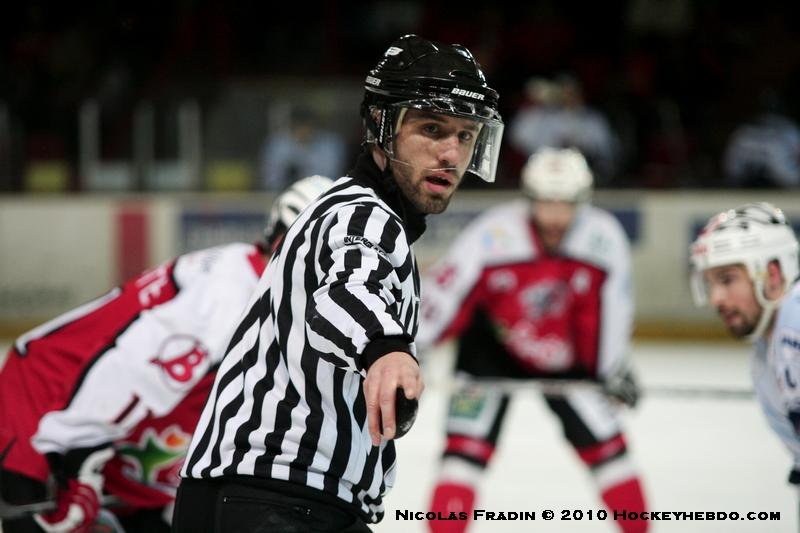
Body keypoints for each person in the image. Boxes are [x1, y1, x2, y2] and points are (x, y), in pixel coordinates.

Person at [173, 34, 505, 533]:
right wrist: (385, 348)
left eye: (465, 135)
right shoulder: (365, 215)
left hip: (263, 496)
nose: (450, 153)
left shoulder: (353, 209)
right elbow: (346, 292)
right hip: (276, 497)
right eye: (432, 128)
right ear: (381, 126)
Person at [0, 175, 334, 533]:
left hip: (109, 429)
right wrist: (80, 460)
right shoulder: (229, 295)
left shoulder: (259, 286)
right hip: (46, 399)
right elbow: (132, 369)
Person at [418, 147, 648, 533]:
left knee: (612, 454)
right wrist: (414, 347)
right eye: (545, 202)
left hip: (567, 359)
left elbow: (614, 308)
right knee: (462, 456)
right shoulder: (494, 234)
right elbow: (446, 292)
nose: (555, 216)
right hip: (489, 353)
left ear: (583, 201)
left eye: (566, 204)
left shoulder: (603, 238)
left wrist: (610, 368)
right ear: (528, 198)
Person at [689, 202, 800, 506]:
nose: (716, 299)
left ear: (773, 275)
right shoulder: (767, 349)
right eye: (711, 283)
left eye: (727, 280)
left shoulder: (793, 326)